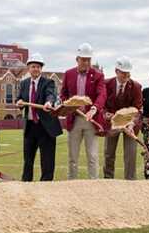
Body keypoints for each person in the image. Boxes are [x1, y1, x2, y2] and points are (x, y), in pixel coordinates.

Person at [60, 43, 106, 180]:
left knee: (92, 156)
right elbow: (63, 94)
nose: (86, 62)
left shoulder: (98, 75)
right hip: (74, 120)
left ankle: (94, 185)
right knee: (72, 157)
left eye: (88, 59)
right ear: (77, 59)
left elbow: (101, 94)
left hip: (90, 119)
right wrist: (68, 105)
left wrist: (94, 108)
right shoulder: (68, 74)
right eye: (83, 59)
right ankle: (72, 184)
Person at [16, 53, 62, 181]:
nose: (35, 69)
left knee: (47, 160)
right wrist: (19, 102)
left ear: (41, 68)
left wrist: (49, 102)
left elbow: (50, 95)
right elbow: (19, 98)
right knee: (28, 160)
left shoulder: (48, 82)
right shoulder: (24, 83)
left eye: (38, 66)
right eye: (33, 66)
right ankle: (26, 184)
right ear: (28, 68)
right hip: (30, 126)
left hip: (45, 127)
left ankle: (46, 185)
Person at [103, 56, 142, 180]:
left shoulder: (136, 86)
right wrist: (106, 115)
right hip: (112, 123)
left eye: (128, 73)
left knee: (130, 155)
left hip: (130, 124)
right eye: (123, 72)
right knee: (109, 154)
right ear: (116, 71)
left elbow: (137, 109)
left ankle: (130, 182)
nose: (126, 75)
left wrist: (131, 124)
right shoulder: (106, 84)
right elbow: (101, 104)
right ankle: (108, 180)